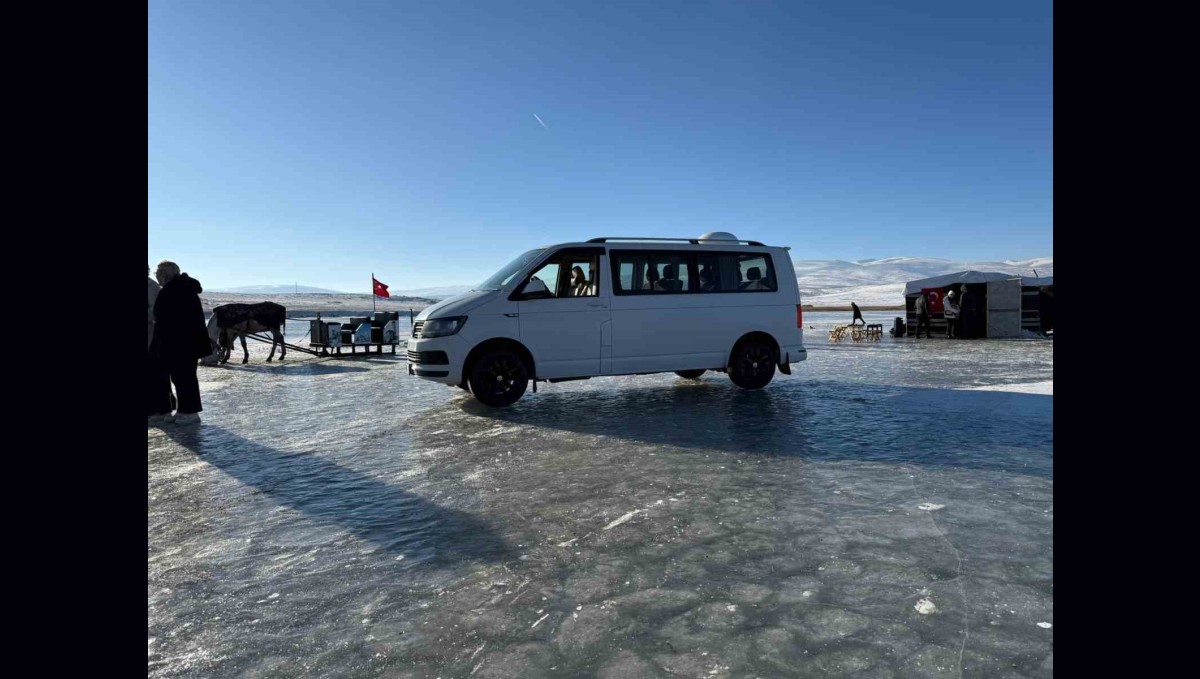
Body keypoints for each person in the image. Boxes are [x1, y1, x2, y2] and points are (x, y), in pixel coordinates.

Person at [151, 260, 211, 425]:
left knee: (184, 377)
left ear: (166, 273)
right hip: (180, 342)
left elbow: (171, 320)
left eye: (159, 273)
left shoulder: (177, 290)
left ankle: (190, 412)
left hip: (180, 343)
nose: (157, 276)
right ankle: (184, 410)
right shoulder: (181, 288)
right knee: (181, 377)